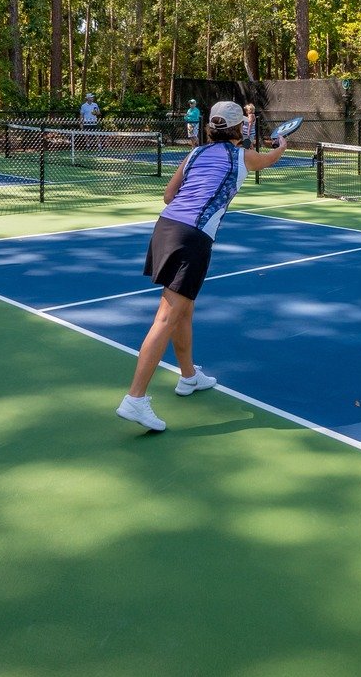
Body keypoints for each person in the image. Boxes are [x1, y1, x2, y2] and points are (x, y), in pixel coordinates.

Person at [117, 100, 287, 432]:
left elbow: (169, 195)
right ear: (240, 128)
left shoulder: (194, 154)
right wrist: (282, 144)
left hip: (166, 227)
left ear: (210, 125)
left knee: (184, 309)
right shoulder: (241, 156)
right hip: (192, 238)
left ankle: (189, 377)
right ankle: (135, 399)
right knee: (166, 316)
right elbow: (268, 160)